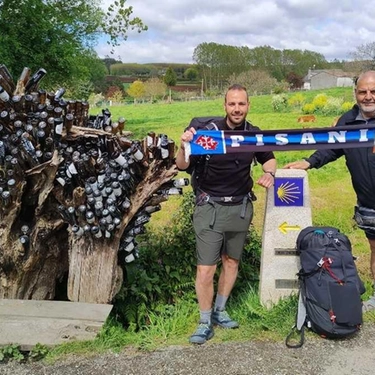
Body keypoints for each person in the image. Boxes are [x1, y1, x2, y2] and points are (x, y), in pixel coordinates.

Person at [175, 84, 276, 344]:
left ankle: (220, 310)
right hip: (209, 208)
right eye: (232, 104)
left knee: (231, 262)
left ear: (248, 105)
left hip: (240, 208)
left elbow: (269, 157)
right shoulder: (207, 133)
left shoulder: (254, 134)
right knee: (206, 268)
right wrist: (183, 144)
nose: (237, 109)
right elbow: (182, 165)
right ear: (225, 105)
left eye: (241, 104)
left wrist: (269, 172)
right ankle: (204, 320)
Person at [283, 70, 375, 312]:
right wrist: (308, 162)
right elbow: (331, 148)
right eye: (363, 92)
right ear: (355, 94)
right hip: (369, 202)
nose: (368, 96)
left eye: (373, 92)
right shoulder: (347, 121)